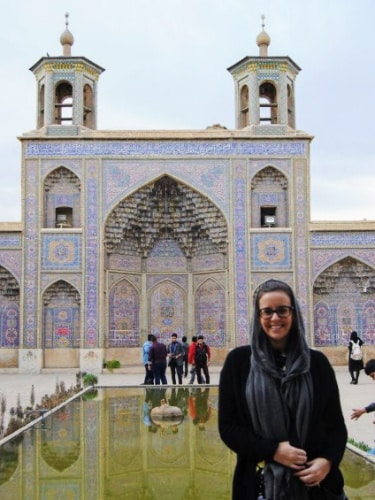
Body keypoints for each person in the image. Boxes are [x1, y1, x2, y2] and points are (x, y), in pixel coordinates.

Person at [218, 279, 347, 500]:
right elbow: (228, 428)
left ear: (293, 313)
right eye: (267, 311)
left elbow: (336, 428)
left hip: (317, 487)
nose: (275, 318)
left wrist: (327, 462)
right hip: (259, 485)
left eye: (282, 310)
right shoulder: (239, 363)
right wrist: (273, 451)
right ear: (258, 317)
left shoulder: (317, 364)